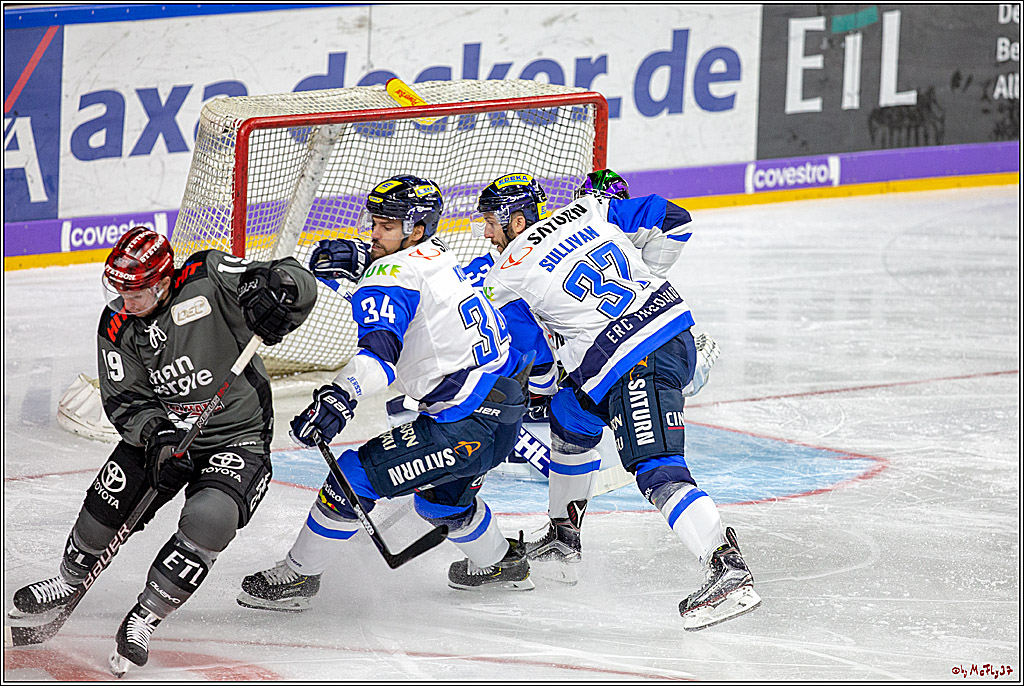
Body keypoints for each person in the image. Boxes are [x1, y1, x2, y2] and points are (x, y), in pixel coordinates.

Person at [7, 227, 318, 674]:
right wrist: (157, 437)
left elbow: (291, 277)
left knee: (211, 518)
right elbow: (124, 399)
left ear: (161, 282)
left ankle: (146, 616)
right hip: (167, 434)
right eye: (119, 290)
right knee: (106, 502)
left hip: (237, 436)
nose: (124, 301)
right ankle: (68, 578)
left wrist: (281, 292)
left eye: (134, 292)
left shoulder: (207, 276)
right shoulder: (117, 324)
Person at [472, 171, 757, 631]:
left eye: (489, 221)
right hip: (653, 342)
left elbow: (499, 328)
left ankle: (727, 567)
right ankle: (564, 537)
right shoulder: (588, 209)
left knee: (658, 469)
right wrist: (649, 282)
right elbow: (673, 216)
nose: (485, 232)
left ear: (515, 217)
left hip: (636, 361)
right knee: (569, 416)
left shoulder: (508, 271)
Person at [237, 174, 533, 613]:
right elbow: (414, 298)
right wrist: (361, 270)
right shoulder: (442, 257)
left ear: (414, 231)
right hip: (504, 411)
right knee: (441, 504)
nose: (374, 233)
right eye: (374, 222)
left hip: (464, 424)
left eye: (387, 226)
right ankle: (501, 563)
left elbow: (378, 360)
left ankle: (297, 576)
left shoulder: (391, 275)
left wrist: (340, 397)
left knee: (351, 477)